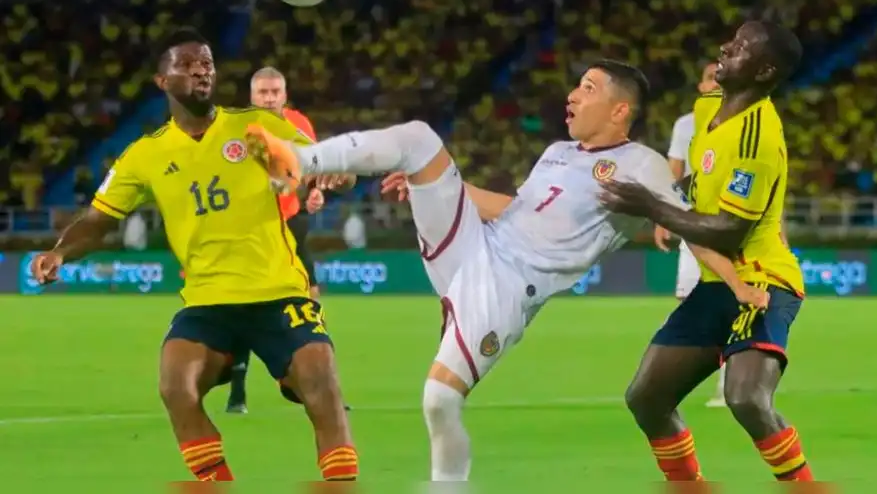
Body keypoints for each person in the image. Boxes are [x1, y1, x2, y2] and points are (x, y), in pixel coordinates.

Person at [247, 58, 768, 481]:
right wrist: (434, 188)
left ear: (619, 110)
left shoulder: (643, 165)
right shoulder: (558, 151)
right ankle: (298, 158)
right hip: (476, 242)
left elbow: (686, 225)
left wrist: (739, 284)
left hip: (509, 287)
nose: (573, 95)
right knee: (419, 141)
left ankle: (447, 483)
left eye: (588, 88)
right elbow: (514, 210)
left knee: (439, 399)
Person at [29, 28, 358, 482]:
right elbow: (98, 220)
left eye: (207, 62)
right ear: (161, 82)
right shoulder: (145, 155)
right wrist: (60, 253)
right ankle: (215, 484)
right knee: (175, 386)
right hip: (208, 300)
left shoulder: (253, 129)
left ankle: (340, 481)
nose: (202, 70)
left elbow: (323, 163)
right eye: (187, 64)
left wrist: (337, 176)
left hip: (279, 291)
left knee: (323, 384)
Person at [599, 21, 813, 482]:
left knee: (746, 398)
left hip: (762, 281)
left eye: (739, 48)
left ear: (764, 71)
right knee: (647, 397)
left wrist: (653, 205)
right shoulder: (708, 109)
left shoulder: (759, 136)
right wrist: (669, 197)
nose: (724, 48)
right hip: (716, 284)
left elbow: (730, 230)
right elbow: (702, 183)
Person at [225, 66, 337, 415]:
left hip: (290, 223)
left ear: (285, 93)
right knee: (243, 306)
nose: (270, 97)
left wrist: (316, 191)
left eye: (275, 91)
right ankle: (238, 392)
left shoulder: (298, 123)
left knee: (311, 301)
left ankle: (319, 388)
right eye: (263, 92)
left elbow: (315, 165)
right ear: (252, 96)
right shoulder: (235, 129)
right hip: (251, 228)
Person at [656, 62, 728, 408]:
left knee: (733, 302)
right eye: (710, 76)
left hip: (730, 225)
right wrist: (663, 217)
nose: (716, 81)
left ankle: (730, 386)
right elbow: (674, 173)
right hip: (692, 225)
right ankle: (679, 380)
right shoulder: (685, 126)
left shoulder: (743, 124)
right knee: (688, 301)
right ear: (700, 86)